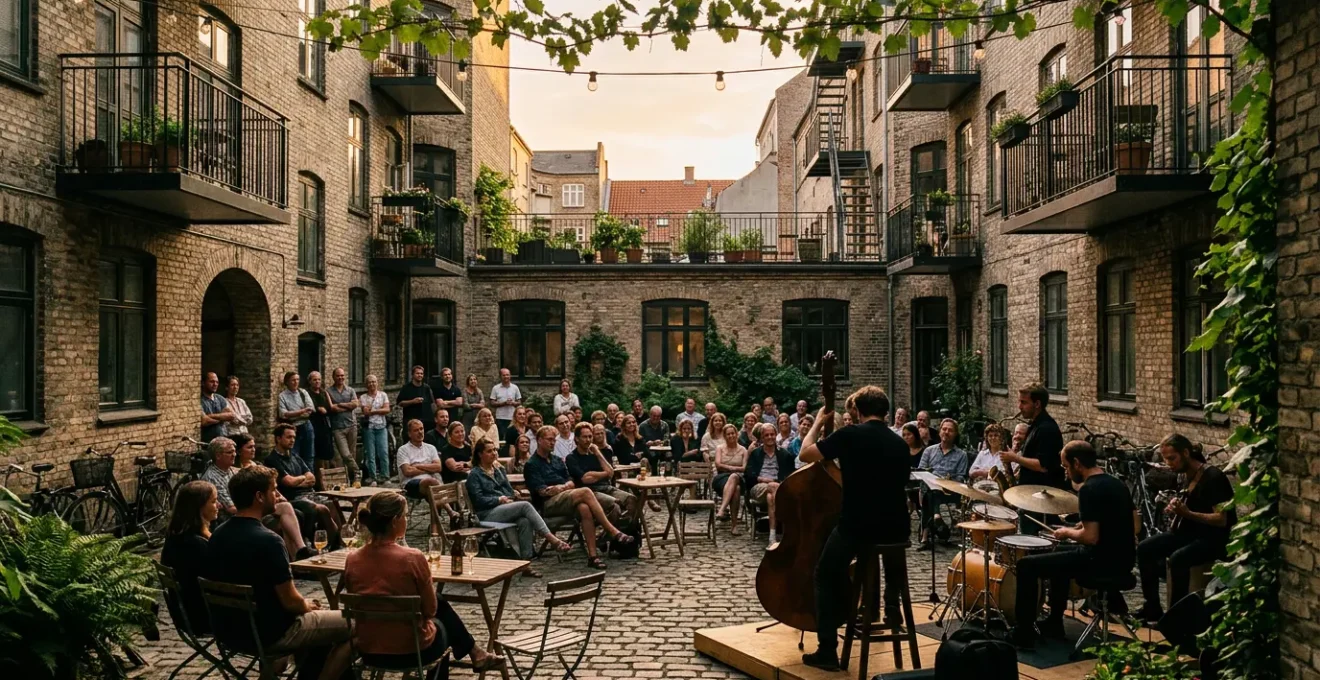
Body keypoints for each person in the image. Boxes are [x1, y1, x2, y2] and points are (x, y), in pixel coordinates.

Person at [798, 386, 914, 671]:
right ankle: (881, 608)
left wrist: (817, 422)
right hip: (896, 530)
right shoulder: (901, 445)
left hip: (858, 526)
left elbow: (805, 454)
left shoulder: (850, 435)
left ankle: (828, 650)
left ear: (859, 411)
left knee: (824, 574)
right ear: (885, 412)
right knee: (857, 563)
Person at [207, 466, 353, 680]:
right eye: (273, 490)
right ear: (259, 496)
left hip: (230, 630)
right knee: (357, 625)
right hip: (272, 632)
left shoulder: (217, 535)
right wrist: (306, 605)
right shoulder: (269, 541)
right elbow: (291, 601)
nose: (276, 496)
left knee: (318, 636)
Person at [344, 491, 501, 672]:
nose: (407, 520)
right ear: (395, 521)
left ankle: (477, 653)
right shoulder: (412, 558)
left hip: (369, 649)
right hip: (412, 650)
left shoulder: (353, 559)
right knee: (443, 625)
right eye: (405, 516)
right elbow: (430, 610)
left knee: (439, 603)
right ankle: (476, 653)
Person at [1010, 441, 1136, 649]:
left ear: (1077, 463)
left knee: (1026, 566)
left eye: (1066, 467)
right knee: (1056, 554)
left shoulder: (1088, 489)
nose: (1066, 472)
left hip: (1099, 560)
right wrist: (1082, 524)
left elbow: (1091, 537)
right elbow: (1123, 522)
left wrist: (1067, 531)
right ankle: (1054, 622)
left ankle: (1023, 634)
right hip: (1122, 558)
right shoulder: (1117, 484)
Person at [1135, 434, 1234, 623]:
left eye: (1172, 458)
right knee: (1145, 548)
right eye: (1165, 458)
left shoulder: (1213, 477)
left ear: (1186, 453)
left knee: (1178, 559)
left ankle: (1176, 619)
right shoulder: (1184, 476)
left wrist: (1188, 513)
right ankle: (1152, 607)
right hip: (1188, 533)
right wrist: (1175, 508)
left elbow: (1222, 519)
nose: (1168, 463)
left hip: (1213, 538)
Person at [524, 425, 635, 569]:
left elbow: (570, 480)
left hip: (566, 496)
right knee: (585, 492)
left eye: (554, 440)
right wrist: (560, 488)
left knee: (584, 508)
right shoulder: (532, 464)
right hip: (547, 505)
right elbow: (542, 491)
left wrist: (563, 487)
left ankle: (593, 557)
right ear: (539, 440)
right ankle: (613, 531)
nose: (553, 443)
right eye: (549, 440)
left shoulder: (557, 460)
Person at [467, 439, 572, 570]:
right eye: (489, 451)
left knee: (524, 521)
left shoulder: (498, 470)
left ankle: (525, 562)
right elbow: (478, 500)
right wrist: (499, 499)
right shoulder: (475, 475)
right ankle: (552, 539)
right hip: (486, 513)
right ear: (479, 454)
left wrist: (512, 496)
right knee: (524, 506)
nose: (494, 453)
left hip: (504, 508)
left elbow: (508, 490)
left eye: (495, 450)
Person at [202, 436, 312, 560]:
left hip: (247, 509)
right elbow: (232, 508)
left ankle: (298, 556)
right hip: (235, 518)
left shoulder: (230, 470)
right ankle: (299, 552)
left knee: (288, 511)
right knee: (286, 512)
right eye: (229, 452)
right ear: (218, 456)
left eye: (234, 451)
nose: (234, 455)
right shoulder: (213, 477)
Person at [999, 383, 1066, 534]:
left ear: (1037, 404)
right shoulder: (1035, 425)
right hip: (1032, 496)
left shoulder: (1046, 428)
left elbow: (1043, 465)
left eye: (1023, 402)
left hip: (1040, 499)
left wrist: (1014, 458)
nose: (1019, 407)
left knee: (1033, 540)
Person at [161, 480, 219, 635]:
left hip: (185, 616)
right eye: (213, 502)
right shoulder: (196, 545)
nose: (218, 506)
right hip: (205, 618)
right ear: (199, 507)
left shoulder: (174, 538)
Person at [265, 424, 342, 539]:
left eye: (294, 437)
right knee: (321, 508)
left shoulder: (295, 457)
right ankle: (329, 540)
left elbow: (312, 478)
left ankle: (337, 540)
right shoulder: (272, 460)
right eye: (289, 437)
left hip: (309, 493)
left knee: (332, 502)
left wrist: (297, 480)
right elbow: (289, 482)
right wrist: (302, 478)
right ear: (278, 438)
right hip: (292, 497)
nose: (292, 440)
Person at [566, 423, 640, 518]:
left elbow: (610, 473)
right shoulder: (572, 458)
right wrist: (604, 473)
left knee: (632, 500)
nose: (588, 440)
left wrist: (597, 452)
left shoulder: (595, 454)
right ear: (576, 438)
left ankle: (630, 531)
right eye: (584, 437)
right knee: (615, 506)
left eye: (590, 436)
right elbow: (586, 479)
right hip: (590, 492)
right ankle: (613, 533)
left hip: (607, 488)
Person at [917, 419, 970, 547]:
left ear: (955, 434)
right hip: (930, 487)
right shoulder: (929, 451)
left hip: (950, 491)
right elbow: (921, 471)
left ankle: (925, 535)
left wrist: (947, 482)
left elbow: (961, 477)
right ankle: (937, 518)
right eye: (944, 429)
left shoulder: (961, 455)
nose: (946, 432)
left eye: (950, 430)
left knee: (931, 495)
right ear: (940, 431)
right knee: (931, 492)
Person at [745, 423, 795, 547]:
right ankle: (787, 530)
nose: (770, 437)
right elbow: (748, 475)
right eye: (766, 435)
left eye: (772, 434)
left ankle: (772, 537)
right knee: (773, 487)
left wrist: (776, 482)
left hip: (777, 487)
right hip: (758, 487)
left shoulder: (784, 454)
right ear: (762, 437)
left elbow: (789, 475)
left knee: (771, 497)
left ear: (776, 435)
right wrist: (763, 479)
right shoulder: (756, 453)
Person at [327, 368, 361, 487]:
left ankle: (352, 480)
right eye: (338, 376)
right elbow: (332, 408)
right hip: (338, 427)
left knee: (352, 453)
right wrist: (348, 406)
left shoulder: (350, 390)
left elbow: (355, 404)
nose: (340, 378)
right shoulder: (329, 391)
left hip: (351, 425)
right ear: (333, 377)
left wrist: (341, 405)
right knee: (345, 454)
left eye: (342, 375)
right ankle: (358, 473)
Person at [397, 418, 446, 501]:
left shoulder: (431, 448)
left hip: (431, 483)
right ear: (409, 434)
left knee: (431, 486)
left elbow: (438, 467)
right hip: (411, 483)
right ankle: (450, 511)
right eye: (416, 430)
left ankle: (436, 514)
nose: (420, 432)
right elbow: (407, 471)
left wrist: (418, 465)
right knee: (431, 482)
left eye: (421, 429)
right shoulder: (403, 449)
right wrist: (430, 469)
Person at [275, 372, 315, 467]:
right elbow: (283, 414)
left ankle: (310, 478)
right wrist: (302, 411)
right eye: (293, 380)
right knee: (294, 454)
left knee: (309, 455)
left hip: (306, 425)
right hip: (292, 427)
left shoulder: (303, 393)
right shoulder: (282, 396)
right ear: (287, 382)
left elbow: (310, 409)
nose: (295, 382)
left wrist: (293, 413)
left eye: (297, 380)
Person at [713, 423, 748, 527]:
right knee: (735, 489)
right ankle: (734, 525)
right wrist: (734, 468)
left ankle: (722, 509)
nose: (731, 436)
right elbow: (718, 464)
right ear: (725, 436)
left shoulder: (743, 450)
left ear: (736, 434)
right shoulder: (720, 448)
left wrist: (731, 468)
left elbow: (744, 468)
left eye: (733, 433)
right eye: (728, 434)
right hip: (721, 478)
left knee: (735, 478)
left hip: (739, 477)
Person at [360, 375, 392, 485]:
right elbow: (365, 411)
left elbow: (387, 409)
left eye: (374, 382)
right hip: (369, 428)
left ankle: (385, 476)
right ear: (366, 384)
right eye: (369, 382)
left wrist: (373, 411)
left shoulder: (383, 395)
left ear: (377, 383)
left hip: (381, 427)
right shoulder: (363, 397)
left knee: (383, 452)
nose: (372, 384)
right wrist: (379, 410)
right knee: (370, 453)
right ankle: (372, 477)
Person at [305, 371, 335, 482]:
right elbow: (311, 408)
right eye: (314, 380)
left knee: (326, 452)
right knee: (316, 454)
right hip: (313, 424)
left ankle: (327, 479)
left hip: (325, 425)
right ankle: (318, 480)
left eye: (318, 379)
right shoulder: (307, 393)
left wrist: (325, 410)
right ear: (310, 381)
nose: (317, 382)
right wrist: (318, 410)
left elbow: (330, 407)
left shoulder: (324, 392)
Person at [397, 366, 436, 430]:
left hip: (426, 421)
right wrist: (412, 401)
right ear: (412, 375)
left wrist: (435, 416)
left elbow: (432, 403)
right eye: (417, 373)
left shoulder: (427, 388)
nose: (420, 375)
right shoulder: (406, 388)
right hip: (411, 420)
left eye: (421, 374)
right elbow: (400, 403)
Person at [489, 369, 521, 433]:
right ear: (500, 376)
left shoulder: (515, 388)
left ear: (510, 376)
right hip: (500, 417)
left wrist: (512, 403)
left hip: (513, 417)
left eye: (507, 375)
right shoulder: (496, 388)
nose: (506, 377)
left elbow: (519, 402)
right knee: (501, 436)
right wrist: (504, 403)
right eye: (504, 375)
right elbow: (492, 403)